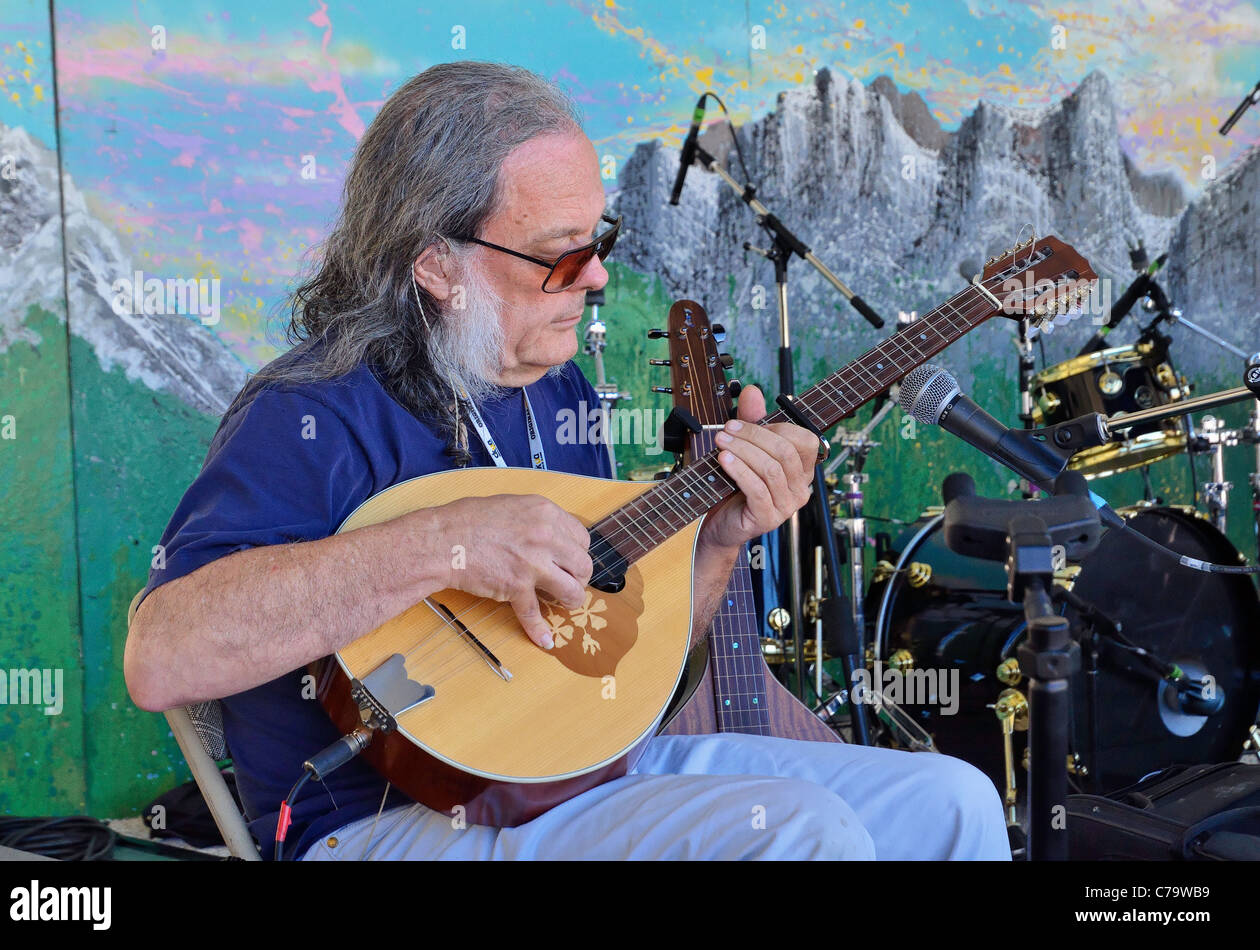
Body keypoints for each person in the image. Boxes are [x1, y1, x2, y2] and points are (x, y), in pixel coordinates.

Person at [124, 61, 1010, 861]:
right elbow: (161, 657)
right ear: (438, 264)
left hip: (572, 772)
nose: (596, 280)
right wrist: (447, 543)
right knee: (802, 833)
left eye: (601, 242)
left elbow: (615, 668)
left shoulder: (559, 392)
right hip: (382, 822)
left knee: (951, 800)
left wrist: (717, 544)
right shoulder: (311, 413)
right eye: (561, 254)